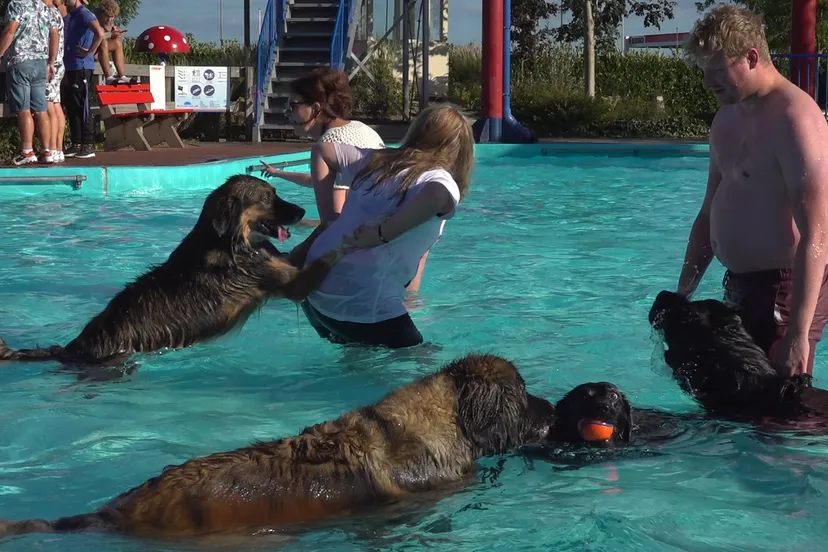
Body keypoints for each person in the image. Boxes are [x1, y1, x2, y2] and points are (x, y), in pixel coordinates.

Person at [676, 5, 828, 377]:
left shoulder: (796, 119)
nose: (708, 81)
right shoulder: (726, 118)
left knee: (779, 414)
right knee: (740, 408)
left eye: (716, 69)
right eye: (703, 70)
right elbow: (709, 212)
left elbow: (818, 233)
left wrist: (796, 334)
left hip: (787, 290)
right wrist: (683, 296)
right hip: (742, 285)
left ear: (751, 57)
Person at [292, 103, 475, 349]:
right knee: (424, 365)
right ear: (460, 150)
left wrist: (329, 219)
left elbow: (322, 150)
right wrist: (382, 234)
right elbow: (438, 195)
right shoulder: (438, 178)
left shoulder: (374, 159)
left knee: (357, 359)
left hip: (314, 290)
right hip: (363, 301)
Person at [259, 68, 432, 292]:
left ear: (315, 109)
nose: (287, 112)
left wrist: (290, 262)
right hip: (410, 238)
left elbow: (332, 223)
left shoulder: (327, 145)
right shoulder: (362, 129)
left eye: (293, 105)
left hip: (377, 248)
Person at [0, 0, 60, 165]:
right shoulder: (44, 7)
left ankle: (27, 151)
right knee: (41, 109)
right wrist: (51, 61)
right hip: (41, 62)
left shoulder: (16, 4)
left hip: (20, 61)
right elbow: (54, 34)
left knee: (23, 110)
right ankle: (47, 150)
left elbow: (10, 30)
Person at [61, 0, 105, 159]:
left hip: (82, 67)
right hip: (71, 66)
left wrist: (90, 52)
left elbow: (99, 33)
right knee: (72, 106)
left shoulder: (84, 13)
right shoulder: (71, 15)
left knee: (83, 105)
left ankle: (88, 143)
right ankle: (76, 142)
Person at [83, 0, 133, 84]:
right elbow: (97, 36)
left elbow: (107, 33)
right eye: (108, 16)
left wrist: (115, 33)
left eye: (112, 17)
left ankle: (122, 76)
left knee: (117, 43)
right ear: (101, 12)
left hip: (96, 49)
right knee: (103, 42)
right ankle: (108, 77)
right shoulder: (91, 16)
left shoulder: (106, 19)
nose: (110, 19)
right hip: (87, 49)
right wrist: (110, 34)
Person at [44, 0, 66, 163]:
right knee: (56, 103)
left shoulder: (49, 12)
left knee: (49, 104)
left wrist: (50, 61)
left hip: (51, 65)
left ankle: (51, 149)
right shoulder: (57, 13)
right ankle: (57, 149)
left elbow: (54, 35)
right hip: (59, 63)